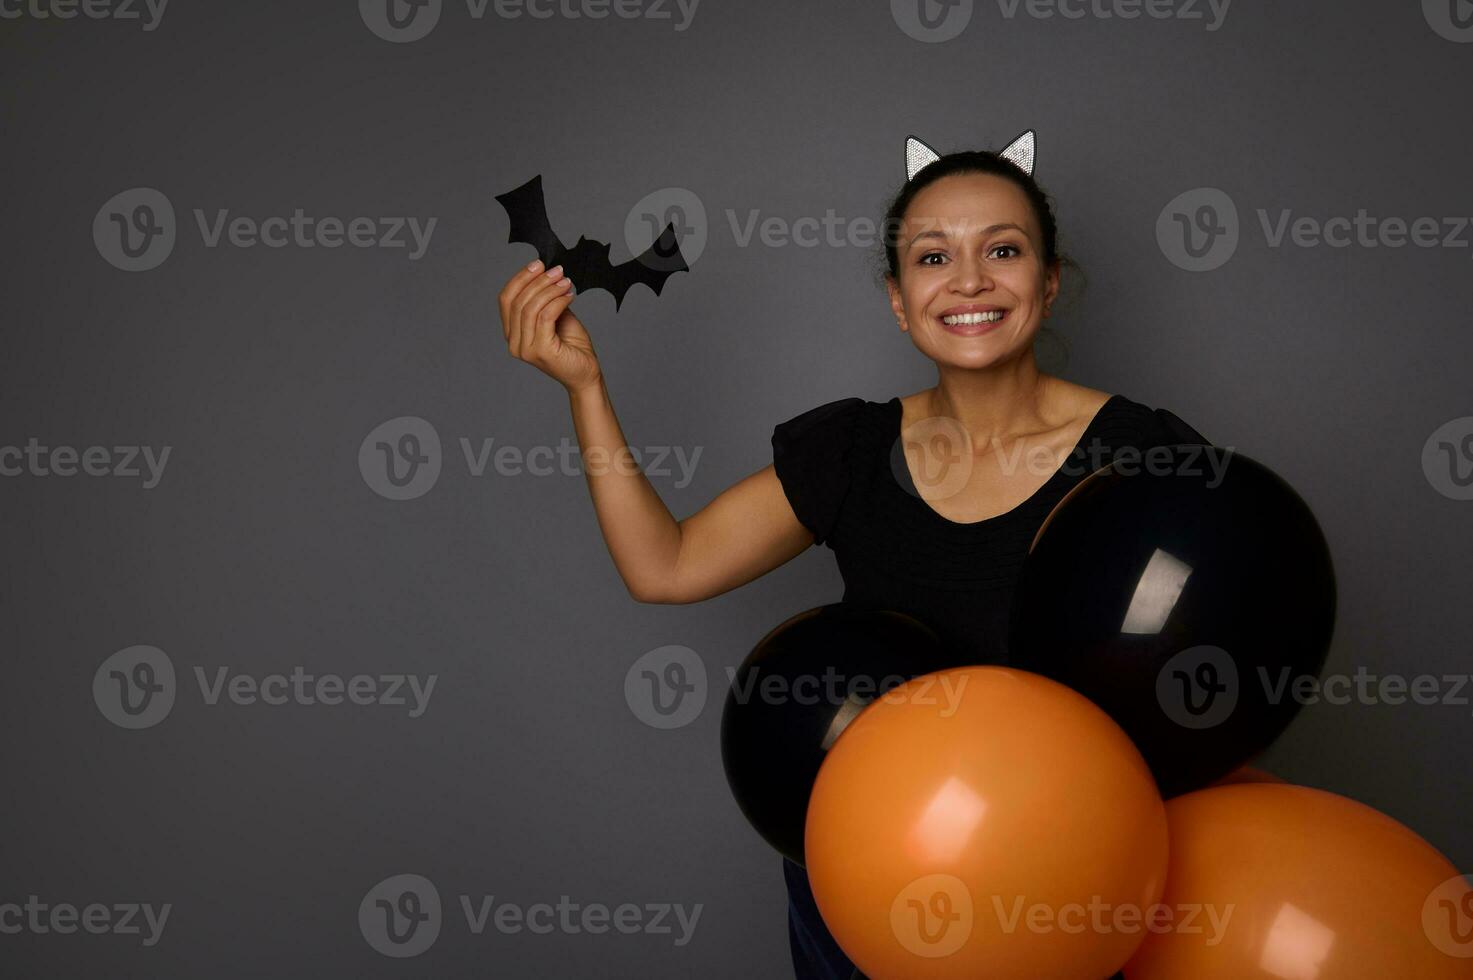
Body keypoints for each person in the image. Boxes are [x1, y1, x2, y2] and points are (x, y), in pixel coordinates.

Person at [496, 141, 1206, 980]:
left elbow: (1209, 668)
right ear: (899, 301)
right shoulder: (851, 451)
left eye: (1002, 250)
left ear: (1047, 284)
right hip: (878, 888)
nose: (969, 280)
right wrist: (586, 390)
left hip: (1079, 885)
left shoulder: (1144, 455)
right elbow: (666, 565)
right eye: (933, 257)